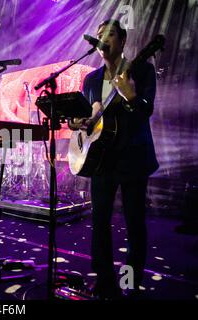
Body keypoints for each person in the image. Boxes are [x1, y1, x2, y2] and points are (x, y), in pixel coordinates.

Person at [69, 20, 159, 299]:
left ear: (122, 41)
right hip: (101, 159)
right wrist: (79, 122)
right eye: (99, 36)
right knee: (99, 223)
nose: (102, 40)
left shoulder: (142, 70)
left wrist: (131, 97)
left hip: (133, 158)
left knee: (134, 224)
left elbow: (146, 110)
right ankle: (106, 281)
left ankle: (129, 283)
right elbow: (86, 119)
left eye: (109, 35)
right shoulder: (92, 80)